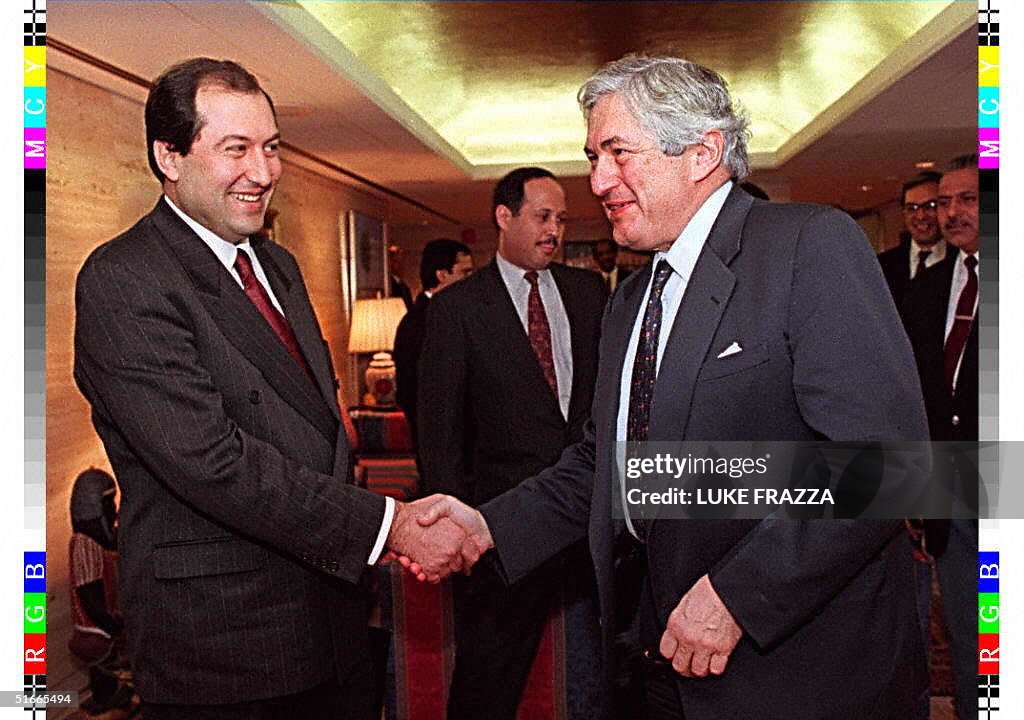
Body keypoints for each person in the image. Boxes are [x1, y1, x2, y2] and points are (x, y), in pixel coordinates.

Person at [412, 55, 930, 720]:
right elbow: (609, 467)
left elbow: (885, 465)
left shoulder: (806, 244)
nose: (597, 180)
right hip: (652, 655)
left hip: (798, 670)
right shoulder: (632, 299)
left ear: (702, 151)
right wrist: (487, 525)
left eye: (618, 152)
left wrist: (738, 596)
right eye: (593, 156)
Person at [73, 57, 474, 720]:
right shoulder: (127, 280)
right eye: (236, 149)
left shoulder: (277, 264)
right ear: (168, 156)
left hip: (335, 621)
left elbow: (315, 427)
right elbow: (213, 462)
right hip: (226, 647)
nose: (263, 172)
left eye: (272, 147)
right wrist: (389, 526)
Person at [417, 167, 606, 719]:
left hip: (592, 513)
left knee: (610, 661)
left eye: (562, 219)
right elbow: (440, 430)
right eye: (542, 217)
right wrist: (453, 527)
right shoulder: (458, 308)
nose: (555, 230)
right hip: (503, 525)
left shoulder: (589, 292)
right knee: (490, 674)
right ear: (505, 217)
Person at [901, 154, 980, 720]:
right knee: (968, 629)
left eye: (968, 199)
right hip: (949, 497)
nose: (951, 213)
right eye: (944, 201)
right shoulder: (927, 288)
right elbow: (918, 391)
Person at [393, 237, 473, 445]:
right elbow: (414, 391)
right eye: (465, 273)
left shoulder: (455, 315)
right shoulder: (418, 322)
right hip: (441, 441)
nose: (472, 281)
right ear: (442, 275)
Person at [878, 171, 947, 305]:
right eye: (912, 208)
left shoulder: (964, 262)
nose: (921, 216)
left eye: (930, 206)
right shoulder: (882, 265)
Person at [388, 244, 415, 310]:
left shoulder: (404, 286)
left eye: (401, 261)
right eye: (396, 262)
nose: (400, 265)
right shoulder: (389, 285)